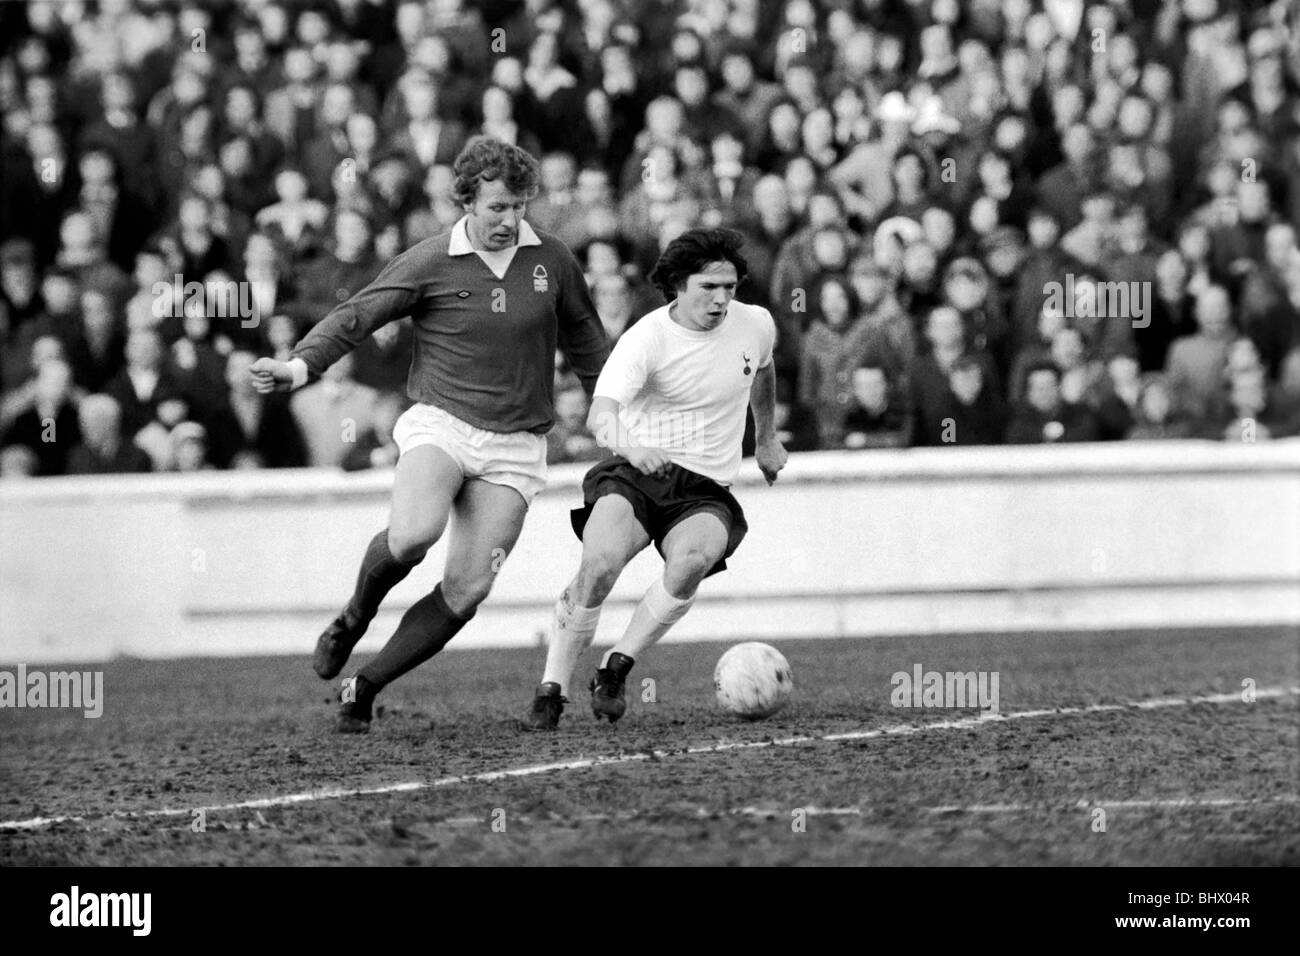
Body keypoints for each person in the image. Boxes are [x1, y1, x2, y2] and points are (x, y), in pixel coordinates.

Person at [250, 138, 609, 733]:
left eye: (519, 206)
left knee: (467, 590)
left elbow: (588, 341)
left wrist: (615, 411)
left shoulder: (553, 260)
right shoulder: (431, 259)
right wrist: (298, 366)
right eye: (496, 207)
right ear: (466, 200)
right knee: (414, 534)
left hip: (516, 446)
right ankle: (352, 618)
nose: (510, 219)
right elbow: (357, 315)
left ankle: (364, 688)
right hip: (443, 422)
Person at [525, 228, 787, 730]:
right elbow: (601, 414)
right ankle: (552, 686)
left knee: (691, 561)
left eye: (729, 287)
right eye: (708, 287)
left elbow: (765, 372)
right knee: (599, 566)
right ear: (677, 285)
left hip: (705, 487)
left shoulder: (756, 325)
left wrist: (768, 438)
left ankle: (616, 666)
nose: (721, 298)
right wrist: (634, 447)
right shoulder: (646, 337)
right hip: (635, 473)